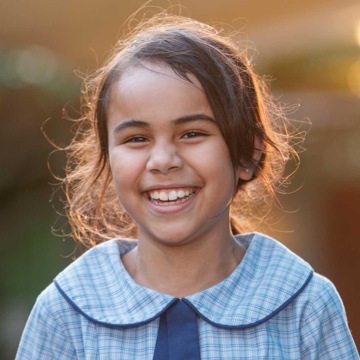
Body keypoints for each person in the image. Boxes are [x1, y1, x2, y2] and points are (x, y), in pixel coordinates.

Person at [16, 13, 359, 359]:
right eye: (137, 138)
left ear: (248, 153)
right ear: (108, 161)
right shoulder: (65, 314)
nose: (163, 160)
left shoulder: (305, 308)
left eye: (192, 133)